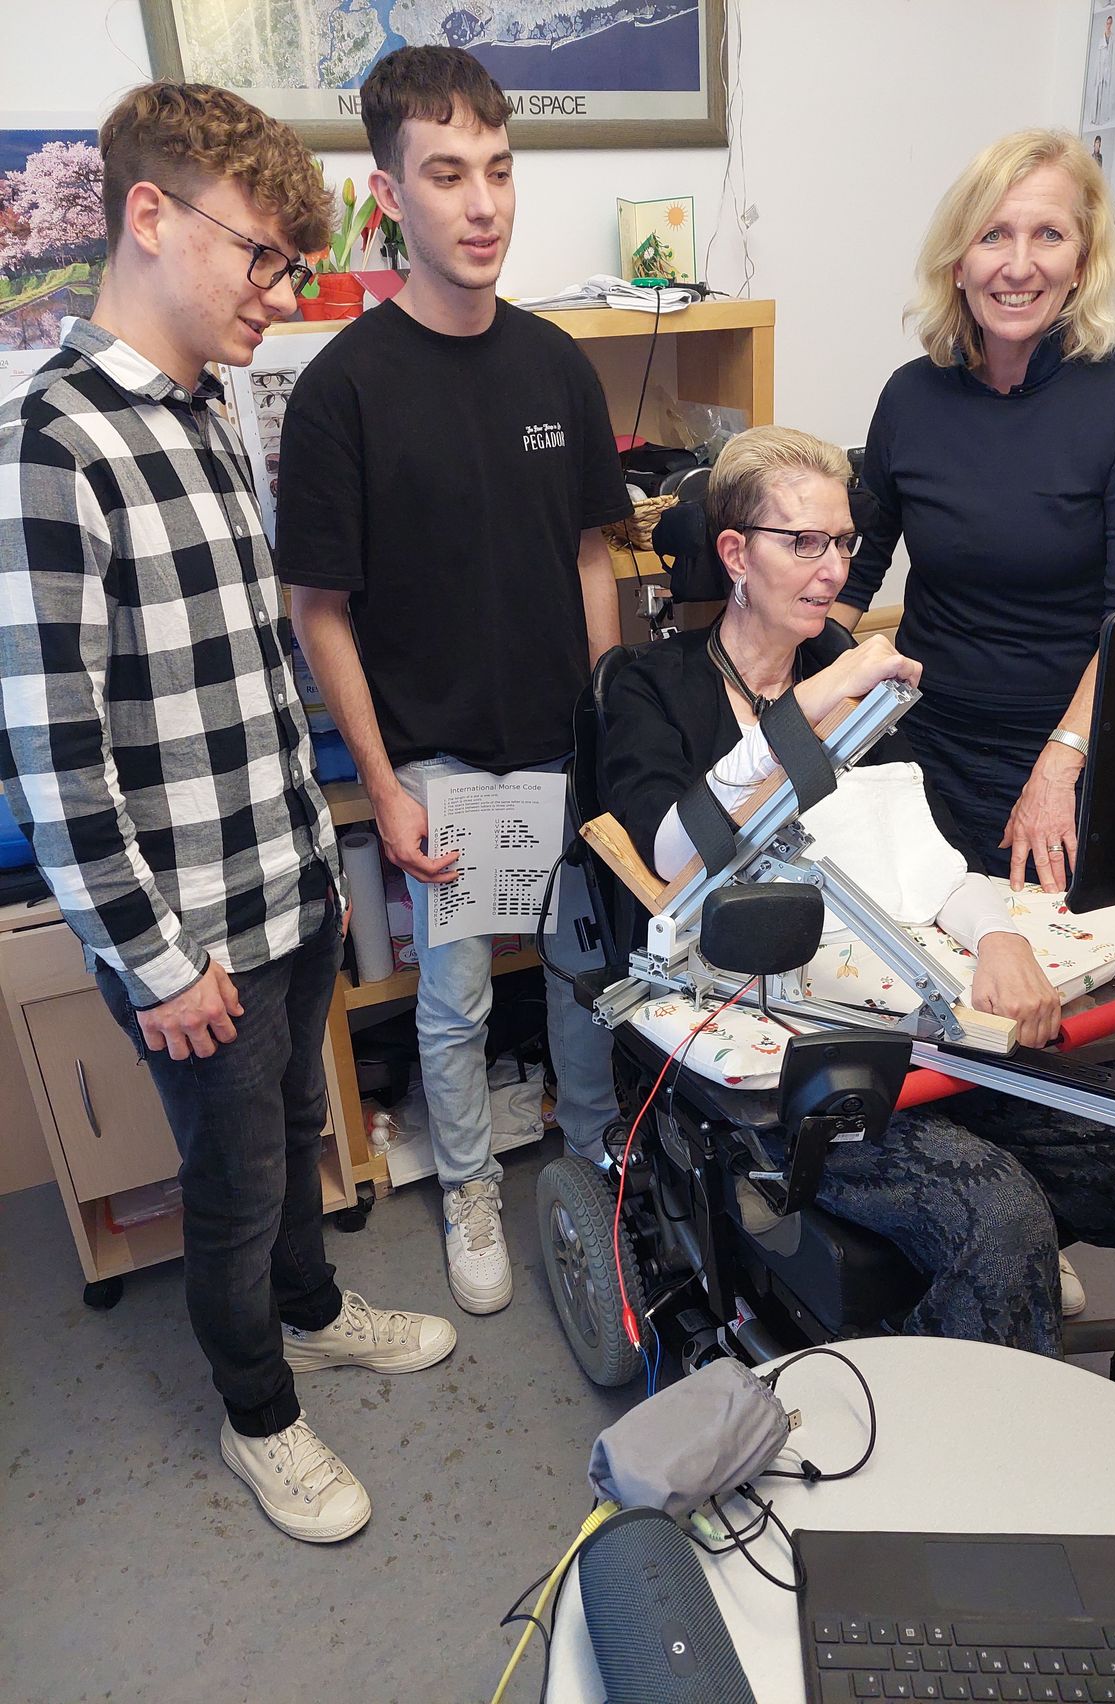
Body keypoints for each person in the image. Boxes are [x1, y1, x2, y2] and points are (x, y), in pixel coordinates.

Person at [603, 426, 1115, 1453]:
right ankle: (988, 1481)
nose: (834, 568)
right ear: (734, 552)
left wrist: (1000, 937)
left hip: (931, 1017)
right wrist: (820, 696)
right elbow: (672, 850)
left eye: (843, 541)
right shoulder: (654, 687)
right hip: (795, 1055)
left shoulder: (854, 677)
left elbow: (928, 863)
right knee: (1001, 1221)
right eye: (803, 542)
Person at [0, 83, 455, 1544]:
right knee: (236, 1184)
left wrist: (318, 863)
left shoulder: (199, 410)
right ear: (149, 214)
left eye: (292, 264)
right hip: (187, 938)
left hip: (283, 883)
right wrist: (153, 962)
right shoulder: (52, 446)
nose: (283, 290)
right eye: (262, 255)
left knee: (301, 1124)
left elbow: (243, 673)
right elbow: (55, 758)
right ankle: (258, 1413)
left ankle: (309, 1315)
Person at [276, 47, 632, 1317]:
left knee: (587, 977)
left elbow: (591, 554)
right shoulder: (342, 392)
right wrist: (384, 783)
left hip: (566, 746)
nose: (482, 206)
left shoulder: (557, 367)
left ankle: (598, 1160)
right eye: (445, 175)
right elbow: (319, 612)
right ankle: (472, 1185)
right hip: (442, 761)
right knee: (458, 994)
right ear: (389, 195)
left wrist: (612, 726)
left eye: (498, 169)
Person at [835, 130, 1115, 898]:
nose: (1019, 265)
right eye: (994, 234)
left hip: (1066, 754)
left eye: (1048, 235)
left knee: (1044, 965)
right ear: (958, 261)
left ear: (1082, 262)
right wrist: (798, 711)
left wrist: (1058, 770)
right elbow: (852, 572)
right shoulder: (910, 396)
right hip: (917, 745)